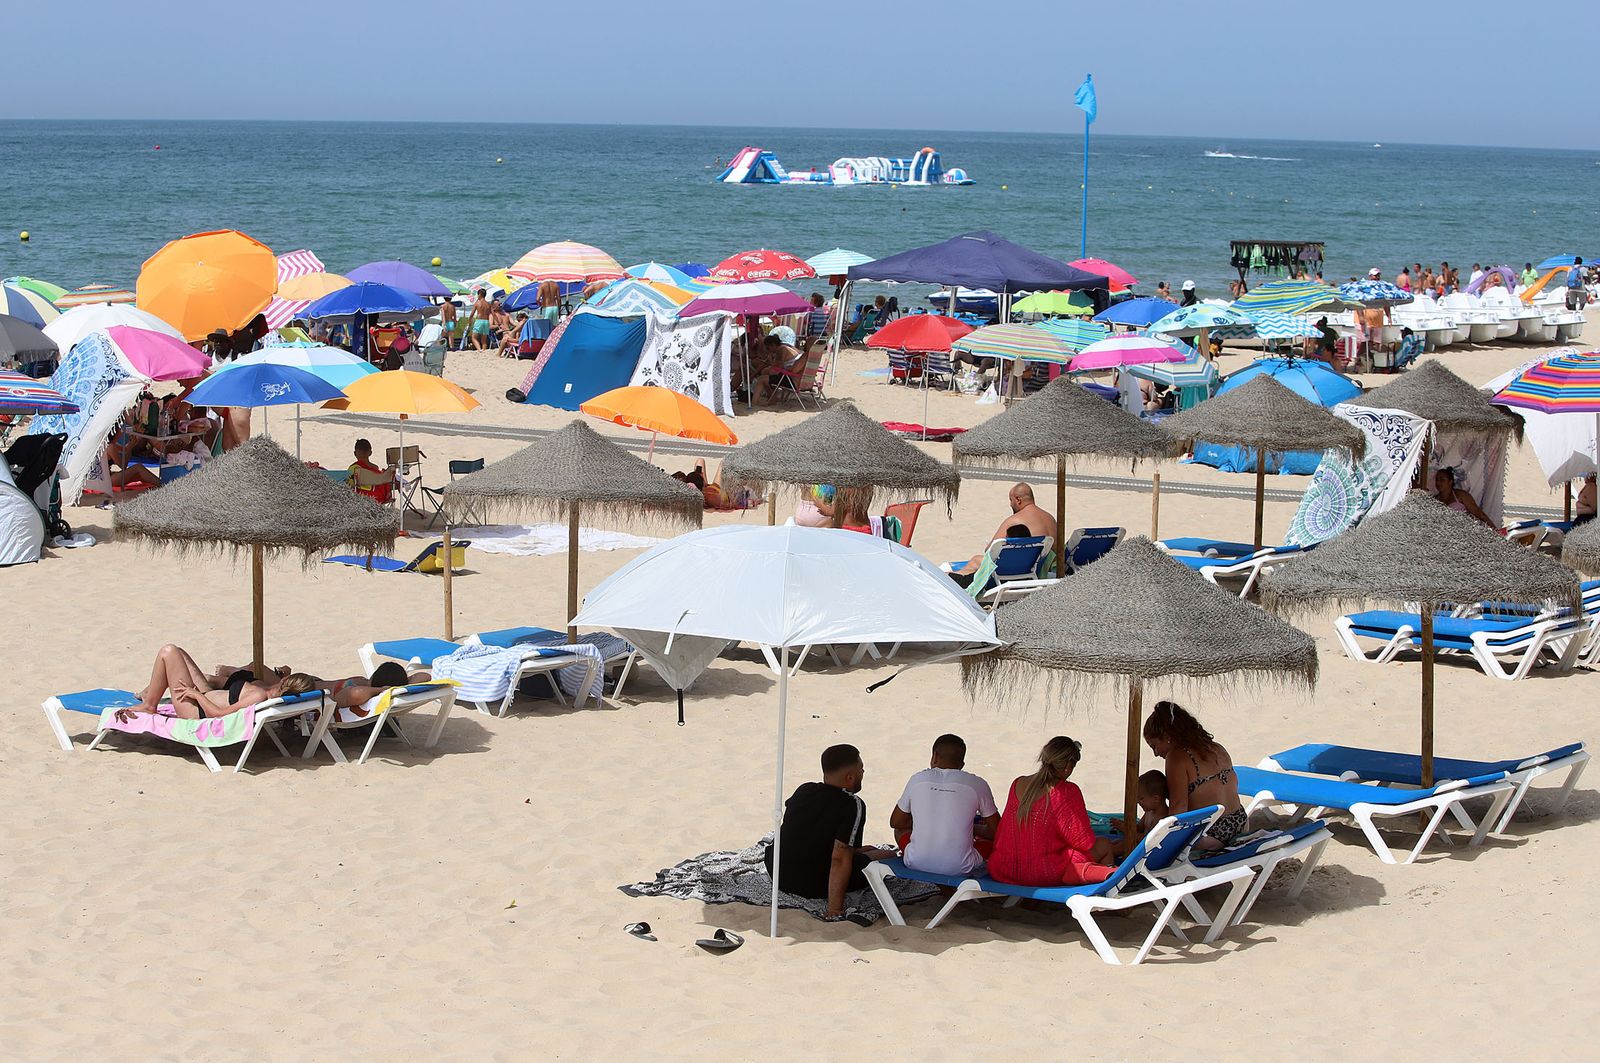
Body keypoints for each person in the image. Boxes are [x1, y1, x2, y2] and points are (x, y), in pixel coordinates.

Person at [765, 744, 893, 917]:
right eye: (861, 769)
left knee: (866, 853)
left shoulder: (804, 790)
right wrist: (834, 909)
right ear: (850, 777)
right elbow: (839, 857)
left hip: (778, 874)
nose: (863, 773)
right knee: (885, 858)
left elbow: (805, 833)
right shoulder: (852, 804)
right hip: (815, 884)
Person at [988, 736, 1116, 887]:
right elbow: (1084, 842)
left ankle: (1031, 903)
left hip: (1003, 868)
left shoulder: (1018, 783)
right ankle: (1109, 896)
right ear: (1068, 767)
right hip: (1041, 872)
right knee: (1104, 845)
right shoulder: (1067, 791)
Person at [115, 644, 319, 721]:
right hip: (205, 697)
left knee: (168, 652)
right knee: (181, 654)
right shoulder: (268, 691)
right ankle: (149, 692)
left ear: (286, 682)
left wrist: (195, 695)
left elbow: (219, 714)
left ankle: (149, 705)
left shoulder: (260, 695)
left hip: (195, 710)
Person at [889, 734, 999, 877]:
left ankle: (942, 887)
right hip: (960, 868)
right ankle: (949, 888)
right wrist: (974, 829)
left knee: (900, 830)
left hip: (916, 862)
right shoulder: (977, 784)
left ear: (934, 756)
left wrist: (923, 820)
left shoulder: (917, 780)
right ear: (962, 764)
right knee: (993, 842)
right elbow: (999, 831)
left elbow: (895, 822)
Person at [1143, 702, 1248, 850]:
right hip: (1241, 823)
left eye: (1154, 746)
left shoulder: (1176, 757)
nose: (1155, 753)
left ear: (1167, 737)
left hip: (1212, 836)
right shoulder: (1216, 747)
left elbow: (1178, 810)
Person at [948, 483, 1058, 582]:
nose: (1010, 504)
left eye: (1011, 500)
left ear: (1018, 500)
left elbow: (989, 552)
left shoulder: (1015, 520)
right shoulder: (1050, 519)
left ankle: (956, 580)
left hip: (1010, 573)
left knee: (975, 560)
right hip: (1036, 571)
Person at [349, 438, 395, 503]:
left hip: (362, 500)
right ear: (370, 453)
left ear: (355, 453)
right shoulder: (376, 469)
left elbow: (350, 486)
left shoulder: (354, 469)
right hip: (380, 499)